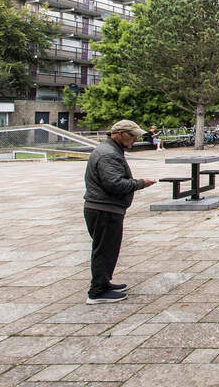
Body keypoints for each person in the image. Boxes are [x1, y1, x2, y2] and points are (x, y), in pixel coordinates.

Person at [83, 120, 156, 304]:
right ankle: (97, 291)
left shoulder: (110, 150)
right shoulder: (108, 154)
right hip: (104, 209)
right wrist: (140, 183)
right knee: (105, 250)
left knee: (107, 248)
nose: (134, 140)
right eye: (132, 136)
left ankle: (104, 282)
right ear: (120, 133)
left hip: (104, 208)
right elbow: (114, 184)